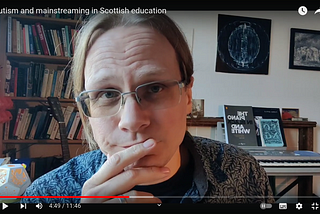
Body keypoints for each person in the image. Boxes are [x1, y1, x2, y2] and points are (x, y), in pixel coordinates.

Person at [21, 12, 275, 204]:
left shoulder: (243, 173)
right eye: (107, 94)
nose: (132, 121)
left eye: (154, 88)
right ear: (86, 112)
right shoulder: (45, 196)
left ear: (187, 95)